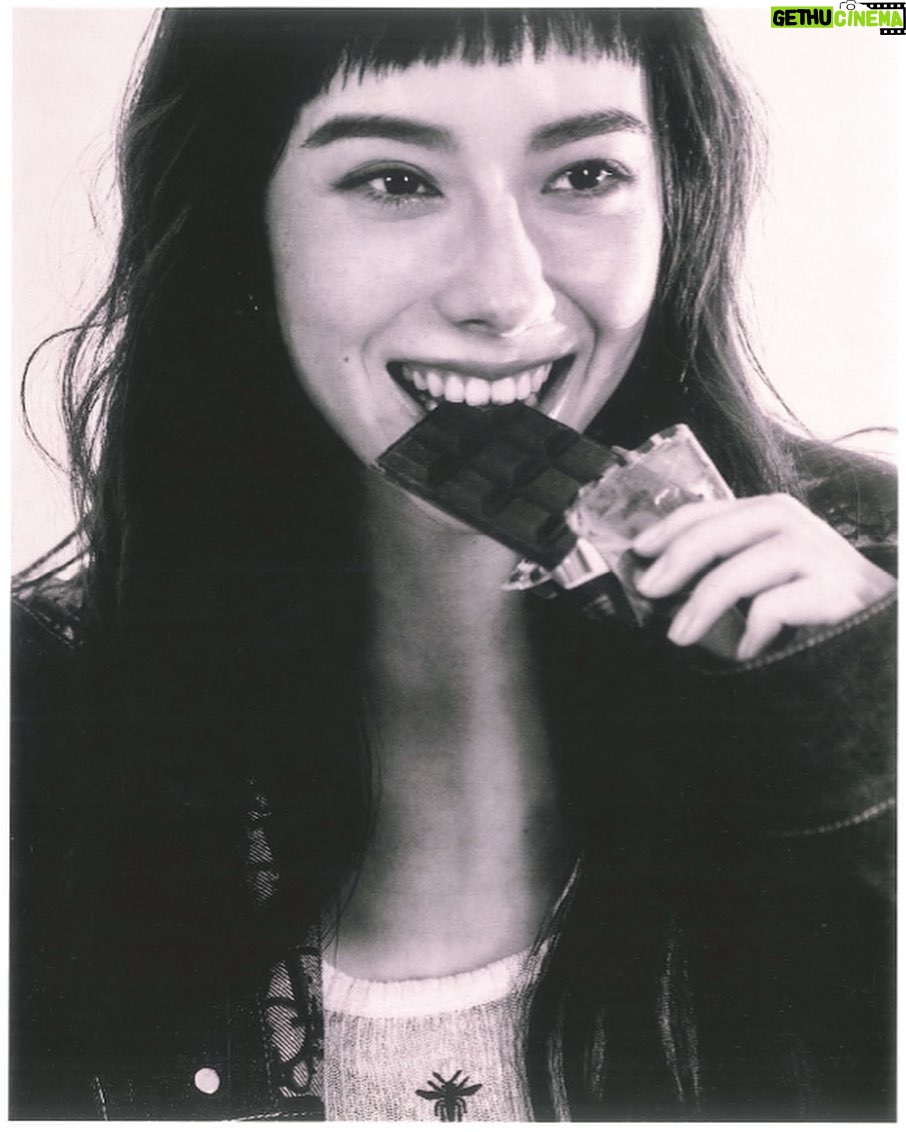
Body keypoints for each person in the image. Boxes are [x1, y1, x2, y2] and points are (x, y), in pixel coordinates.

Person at [10, 8, 895, 1121]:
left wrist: (866, 763)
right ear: (243, 219)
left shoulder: (875, 625)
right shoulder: (44, 742)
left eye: (584, 175)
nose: (505, 294)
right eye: (395, 181)